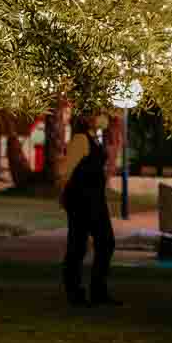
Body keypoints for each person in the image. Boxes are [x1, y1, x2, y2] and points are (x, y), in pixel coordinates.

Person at [60, 113, 117, 306]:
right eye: (96, 113)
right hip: (81, 199)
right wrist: (63, 194)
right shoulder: (80, 139)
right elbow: (66, 170)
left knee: (105, 242)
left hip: (95, 199)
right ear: (85, 118)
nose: (102, 117)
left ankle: (98, 291)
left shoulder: (95, 138)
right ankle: (75, 292)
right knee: (78, 245)